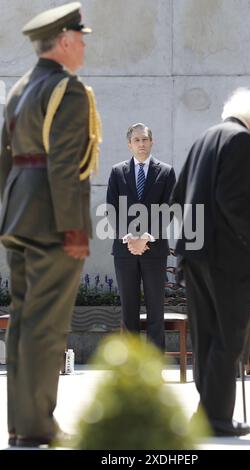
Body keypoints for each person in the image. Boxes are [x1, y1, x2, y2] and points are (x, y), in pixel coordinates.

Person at [0, 2, 101, 447]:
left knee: (23, 321)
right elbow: (64, 164)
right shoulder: (68, 90)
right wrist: (75, 228)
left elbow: (5, 158)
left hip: (20, 215)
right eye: (80, 39)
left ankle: (23, 423)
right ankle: (38, 427)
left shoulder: (21, 88)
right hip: (52, 221)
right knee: (46, 325)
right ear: (63, 42)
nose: (83, 47)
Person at [171, 88, 250, 437]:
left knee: (207, 337)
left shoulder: (205, 138)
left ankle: (207, 416)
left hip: (196, 254)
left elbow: (178, 197)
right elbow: (230, 199)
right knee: (229, 336)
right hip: (227, 260)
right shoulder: (239, 140)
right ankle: (216, 418)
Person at [106, 123, 176, 349]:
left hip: (154, 250)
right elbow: (111, 209)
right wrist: (129, 238)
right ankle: (132, 369)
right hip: (124, 251)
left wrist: (146, 237)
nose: (141, 144)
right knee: (129, 310)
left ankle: (154, 367)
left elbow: (170, 208)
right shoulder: (117, 172)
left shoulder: (165, 172)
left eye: (145, 139)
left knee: (156, 309)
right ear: (129, 145)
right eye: (136, 140)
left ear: (151, 141)